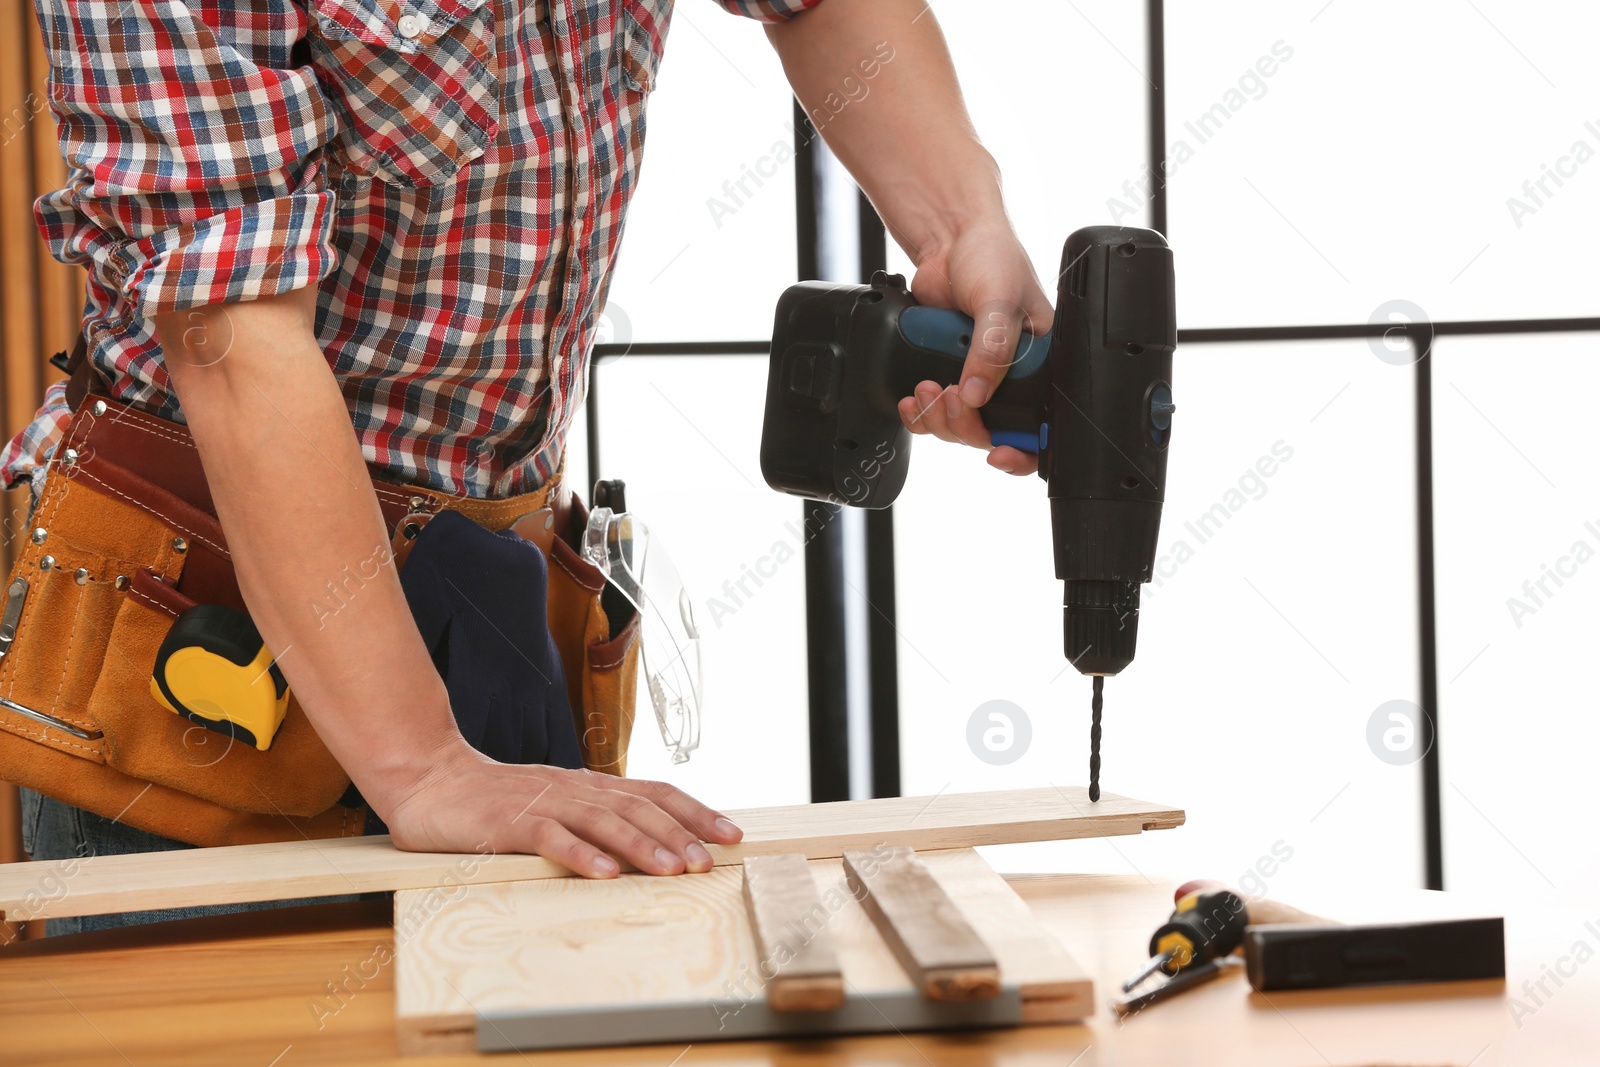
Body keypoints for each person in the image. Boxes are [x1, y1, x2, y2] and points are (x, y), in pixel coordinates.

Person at [4, 0, 1053, 917]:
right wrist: (423, 765)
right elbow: (234, 341)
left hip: (490, 589)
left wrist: (960, 224)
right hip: (211, 625)